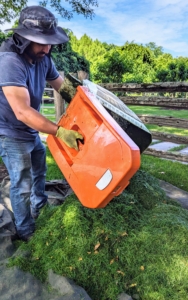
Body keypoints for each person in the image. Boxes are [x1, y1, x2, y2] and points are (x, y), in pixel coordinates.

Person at [0, 5, 83, 241]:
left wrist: (87, 103)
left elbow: (63, 87)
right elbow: (23, 112)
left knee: (40, 171)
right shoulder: (9, 62)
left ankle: (40, 208)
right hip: (10, 132)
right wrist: (60, 132)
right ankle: (25, 230)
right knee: (21, 183)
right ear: (24, 38)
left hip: (31, 131)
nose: (47, 48)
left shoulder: (44, 58)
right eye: (41, 42)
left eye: (50, 43)